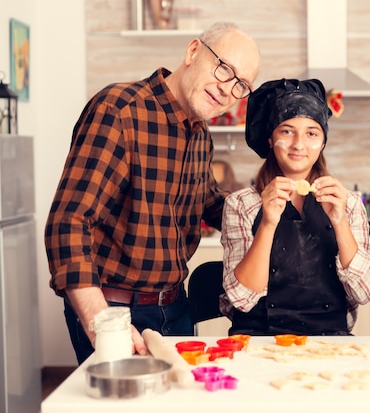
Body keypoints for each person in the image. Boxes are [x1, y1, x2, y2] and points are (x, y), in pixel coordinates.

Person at [44, 22, 260, 364]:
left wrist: (273, 210)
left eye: (240, 85)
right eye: (224, 69)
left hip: (176, 308)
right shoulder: (119, 111)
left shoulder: (200, 132)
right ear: (193, 51)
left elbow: (206, 201)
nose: (227, 89)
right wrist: (103, 322)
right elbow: (67, 222)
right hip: (116, 309)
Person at [220, 78, 370, 335]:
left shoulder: (347, 203)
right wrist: (268, 223)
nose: (298, 144)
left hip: (330, 341)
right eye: (287, 131)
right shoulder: (241, 204)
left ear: (323, 142)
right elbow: (241, 299)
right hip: (258, 339)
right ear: (271, 139)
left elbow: (365, 291)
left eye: (311, 133)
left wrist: (339, 222)